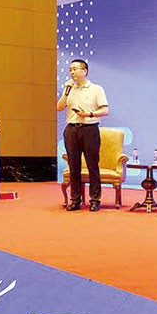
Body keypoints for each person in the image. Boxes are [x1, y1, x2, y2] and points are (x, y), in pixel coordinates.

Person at [56, 59, 109, 212]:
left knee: (92, 165)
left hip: (90, 129)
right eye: (70, 70)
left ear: (84, 71)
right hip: (71, 130)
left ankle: (95, 199)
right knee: (74, 166)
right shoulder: (70, 89)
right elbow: (59, 107)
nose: (72, 72)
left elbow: (105, 110)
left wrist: (89, 114)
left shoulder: (96, 89)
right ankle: (75, 200)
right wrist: (66, 91)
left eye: (75, 69)